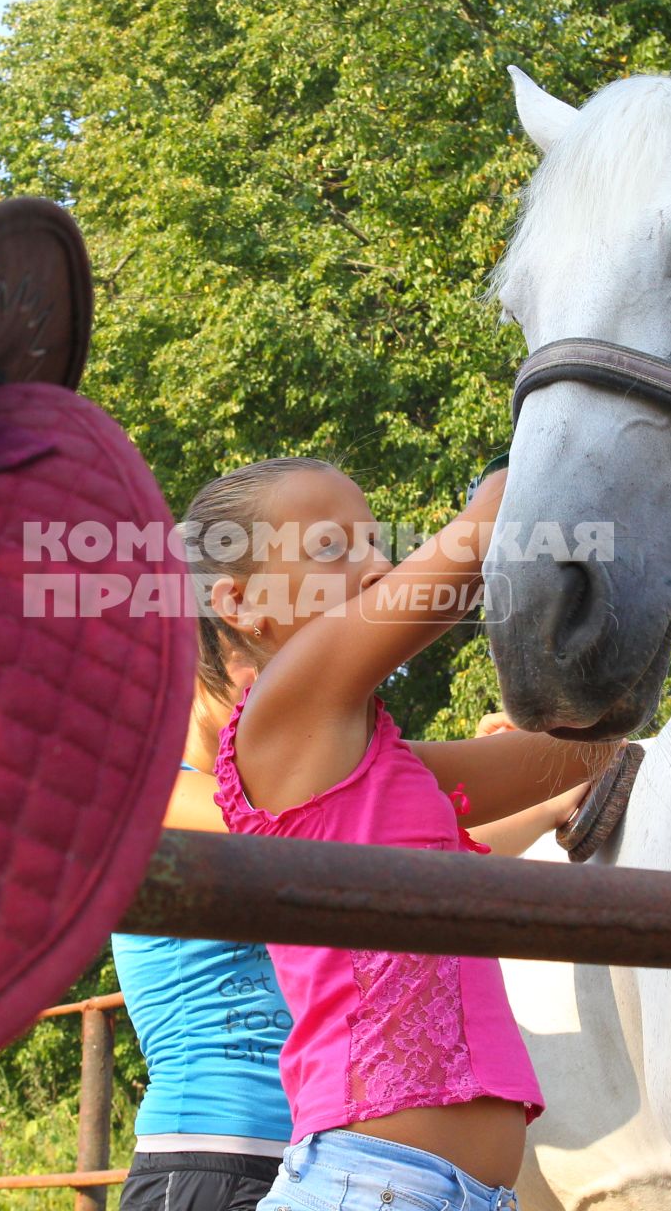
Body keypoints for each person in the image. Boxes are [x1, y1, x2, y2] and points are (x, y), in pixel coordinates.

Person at [190, 456, 621, 1211]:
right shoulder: (281, 713)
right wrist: (519, 473)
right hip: (367, 1185)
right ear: (240, 602)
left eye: (374, 542)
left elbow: (572, 756)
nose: (377, 564)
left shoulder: (377, 767)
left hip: (451, 1192)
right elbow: (460, 559)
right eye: (332, 549)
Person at [112, 649, 295, 1211]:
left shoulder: (268, 802)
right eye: (255, 662)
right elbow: (347, 831)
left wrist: (552, 794)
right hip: (201, 1159)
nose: (280, 683)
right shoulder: (156, 794)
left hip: (307, 1159)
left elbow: (439, 861)